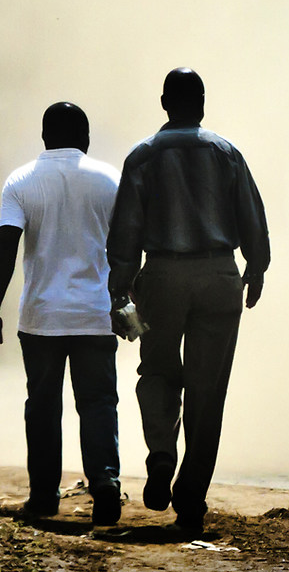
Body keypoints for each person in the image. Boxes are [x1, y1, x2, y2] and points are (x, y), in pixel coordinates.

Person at [107, 67, 271, 537]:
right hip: (221, 277)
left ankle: (161, 455)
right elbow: (252, 217)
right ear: (202, 103)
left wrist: (119, 290)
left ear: (164, 103)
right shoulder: (227, 153)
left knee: (157, 370)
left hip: (161, 277)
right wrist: (256, 268)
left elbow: (125, 234)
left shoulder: (142, 157)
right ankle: (191, 500)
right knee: (208, 391)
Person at [0, 101, 126, 525]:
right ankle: (104, 483)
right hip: (94, 315)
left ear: (45, 137)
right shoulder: (110, 180)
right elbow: (125, 248)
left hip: (42, 318)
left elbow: (6, 246)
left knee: (44, 407)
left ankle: (44, 496)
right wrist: (129, 300)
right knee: (99, 403)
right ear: (85, 137)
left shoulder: (21, 181)